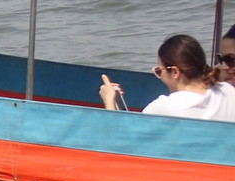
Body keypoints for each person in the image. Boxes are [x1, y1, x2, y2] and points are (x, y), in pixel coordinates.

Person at [100, 33, 235, 121]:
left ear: (175, 72)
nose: (161, 77)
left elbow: (122, 140)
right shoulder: (229, 92)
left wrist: (109, 102)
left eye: (160, 71)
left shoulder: (164, 107)